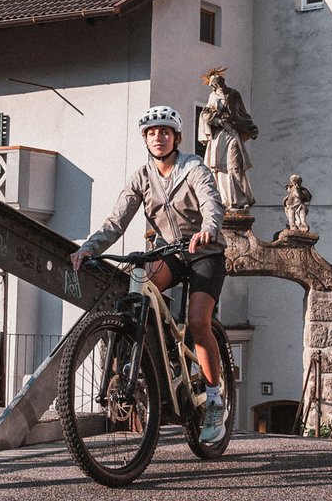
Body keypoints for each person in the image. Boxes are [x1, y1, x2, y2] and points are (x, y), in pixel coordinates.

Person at [70, 105, 230, 443]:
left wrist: (209, 229)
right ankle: (152, 359)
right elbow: (115, 222)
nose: (158, 137)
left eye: (165, 132)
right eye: (152, 133)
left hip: (204, 253)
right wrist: (88, 249)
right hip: (168, 253)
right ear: (146, 139)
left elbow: (212, 204)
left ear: (177, 138)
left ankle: (215, 398)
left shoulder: (194, 168)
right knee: (136, 290)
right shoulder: (141, 177)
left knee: (199, 321)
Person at [200, 67, 257, 210]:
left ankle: (240, 199)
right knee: (219, 167)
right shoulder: (212, 97)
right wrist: (217, 121)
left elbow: (241, 112)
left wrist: (249, 126)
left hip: (232, 132)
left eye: (218, 81)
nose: (217, 84)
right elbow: (205, 115)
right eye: (214, 83)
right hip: (220, 135)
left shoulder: (233, 94)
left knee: (235, 164)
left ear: (222, 81)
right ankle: (224, 200)